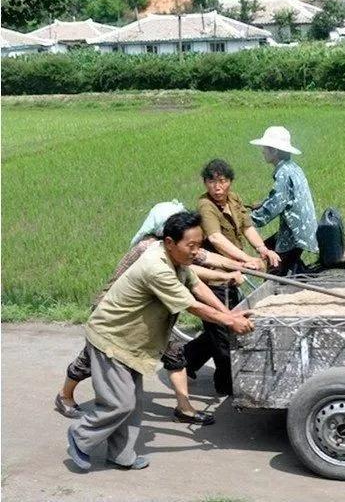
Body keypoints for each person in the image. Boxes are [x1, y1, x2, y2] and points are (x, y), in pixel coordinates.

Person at [66, 211, 254, 471]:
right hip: (111, 337)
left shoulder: (177, 261)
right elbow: (191, 304)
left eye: (198, 245)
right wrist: (230, 321)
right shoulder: (156, 267)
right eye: (191, 245)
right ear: (169, 242)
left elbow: (197, 286)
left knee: (133, 404)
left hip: (134, 341)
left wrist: (228, 313)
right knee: (119, 402)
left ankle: (121, 455)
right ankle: (80, 436)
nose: (196, 251)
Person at [183, 159, 279, 395]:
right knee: (224, 335)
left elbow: (247, 228)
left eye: (222, 181)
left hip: (232, 274)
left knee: (223, 326)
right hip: (211, 278)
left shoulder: (234, 200)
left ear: (230, 182)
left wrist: (262, 250)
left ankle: (184, 357)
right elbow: (216, 239)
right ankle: (226, 385)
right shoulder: (205, 205)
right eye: (212, 181)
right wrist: (245, 260)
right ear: (206, 183)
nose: (217, 186)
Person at [249, 126, 318, 275]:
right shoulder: (292, 168)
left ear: (274, 151)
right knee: (271, 247)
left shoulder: (283, 173)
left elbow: (274, 206)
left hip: (295, 232)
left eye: (265, 148)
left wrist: (246, 220)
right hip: (303, 229)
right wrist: (262, 203)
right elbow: (280, 197)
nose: (262, 151)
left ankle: (276, 289)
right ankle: (300, 276)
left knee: (274, 262)